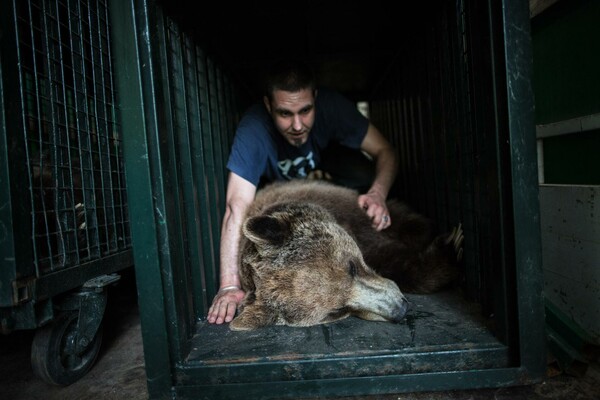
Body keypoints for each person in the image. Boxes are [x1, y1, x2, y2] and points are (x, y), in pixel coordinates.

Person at [207, 59, 399, 325]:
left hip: (329, 170)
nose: (297, 125)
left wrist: (377, 194)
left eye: (305, 111)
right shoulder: (253, 129)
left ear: (316, 99)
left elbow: (385, 151)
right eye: (285, 114)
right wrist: (229, 286)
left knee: (364, 173)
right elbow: (235, 205)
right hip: (284, 196)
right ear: (268, 106)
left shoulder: (333, 107)